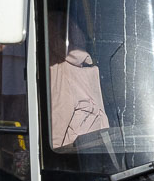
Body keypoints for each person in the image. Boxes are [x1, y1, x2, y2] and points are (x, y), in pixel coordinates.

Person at [45, 10, 109, 149]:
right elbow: (55, 136)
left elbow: (55, 136)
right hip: (84, 157)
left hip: (88, 156)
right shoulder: (62, 69)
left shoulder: (66, 69)